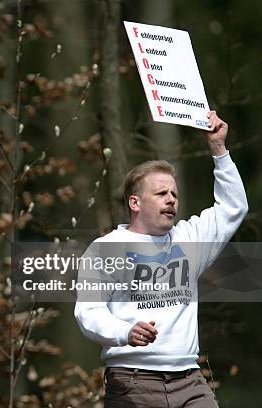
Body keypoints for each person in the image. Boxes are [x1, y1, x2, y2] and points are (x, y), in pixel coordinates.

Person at [74, 111, 247, 407]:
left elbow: (233, 208)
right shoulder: (107, 248)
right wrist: (124, 331)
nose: (171, 199)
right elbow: (88, 312)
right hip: (133, 380)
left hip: (190, 380)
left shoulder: (189, 240)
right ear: (135, 202)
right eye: (161, 193)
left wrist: (218, 149)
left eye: (174, 194)